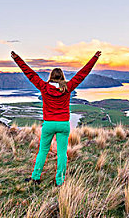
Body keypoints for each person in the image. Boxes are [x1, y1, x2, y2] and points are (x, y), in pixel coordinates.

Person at [11, 50, 101, 186]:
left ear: (51, 76)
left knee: (43, 151)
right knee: (62, 154)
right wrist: (95, 58)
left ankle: (35, 177)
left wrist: (17, 58)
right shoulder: (68, 87)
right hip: (63, 124)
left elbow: (29, 73)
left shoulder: (44, 87)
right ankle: (59, 181)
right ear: (62, 77)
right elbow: (82, 74)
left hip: (48, 124)